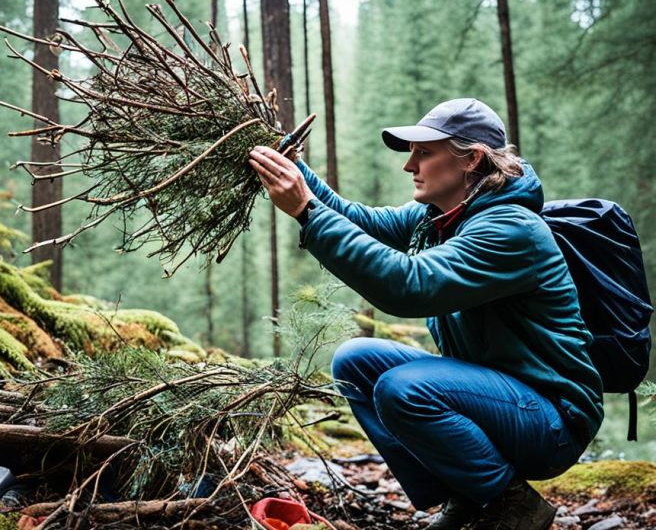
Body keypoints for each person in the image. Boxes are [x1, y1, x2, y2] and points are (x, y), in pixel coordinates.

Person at [247, 98, 603, 530]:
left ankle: (514, 505)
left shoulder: (510, 229)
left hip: (551, 419)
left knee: (404, 388)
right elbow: (361, 221)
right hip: (498, 399)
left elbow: (408, 286)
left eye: (424, 152)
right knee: (356, 362)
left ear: (470, 159)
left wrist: (306, 211)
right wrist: (294, 169)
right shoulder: (439, 218)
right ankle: (466, 496)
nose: (409, 165)